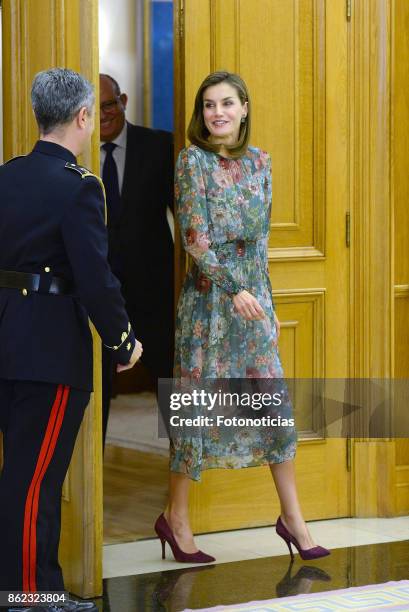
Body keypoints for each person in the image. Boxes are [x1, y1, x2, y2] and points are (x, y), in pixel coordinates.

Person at [154, 71, 330, 563]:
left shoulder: (260, 163)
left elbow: (261, 245)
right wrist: (234, 290)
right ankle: (177, 519)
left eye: (227, 103)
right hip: (209, 306)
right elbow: (194, 241)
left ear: (244, 108)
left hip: (253, 305)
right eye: (209, 105)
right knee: (196, 410)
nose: (217, 113)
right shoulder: (192, 162)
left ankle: (293, 519)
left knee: (273, 408)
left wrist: (265, 304)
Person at [0, 68, 142, 611]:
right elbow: (95, 278)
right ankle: (30, 596)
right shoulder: (80, 187)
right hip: (51, 350)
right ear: (83, 117)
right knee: (35, 480)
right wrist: (123, 340)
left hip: (9, 340)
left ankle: (37, 587)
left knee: (21, 471)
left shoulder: (7, 176)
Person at [99, 74, 174, 444]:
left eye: (109, 104)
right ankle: (87, 487)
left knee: (172, 383)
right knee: (96, 389)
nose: (102, 115)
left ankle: (188, 474)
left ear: (123, 100)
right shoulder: (75, 154)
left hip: (153, 291)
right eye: (93, 108)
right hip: (98, 296)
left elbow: (187, 217)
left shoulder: (159, 146)